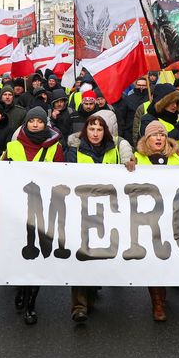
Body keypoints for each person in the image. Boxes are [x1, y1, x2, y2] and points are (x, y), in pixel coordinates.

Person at [124, 119, 179, 322]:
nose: (159, 138)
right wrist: (127, 167)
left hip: (173, 217)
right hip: (149, 217)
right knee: (154, 259)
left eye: (162, 135)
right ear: (147, 139)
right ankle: (157, 302)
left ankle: (163, 293)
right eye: (154, 135)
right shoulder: (137, 158)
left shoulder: (178, 157)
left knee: (169, 257)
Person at [2, 107, 65, 325]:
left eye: (39, 121)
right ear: (26, 124)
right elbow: (1, 174)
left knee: (38, 254)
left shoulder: (55, 148)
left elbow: (62, 175)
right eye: (32, 121)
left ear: (45, 124)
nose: (35, 125)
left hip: (43, 206)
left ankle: (31, 304)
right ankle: (20, 288)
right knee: (20, 253)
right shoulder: (12, 145)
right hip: (17, 207)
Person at [66, 113, 122, 324]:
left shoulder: (113, 150)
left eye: (99, 129)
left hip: (106, 210)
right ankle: (79, 306)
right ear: (85, 131)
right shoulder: (74, 151)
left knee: (99, 254)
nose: (95, 133)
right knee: (81, 256)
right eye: (91, 129)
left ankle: (91, 292)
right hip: (81, 209)